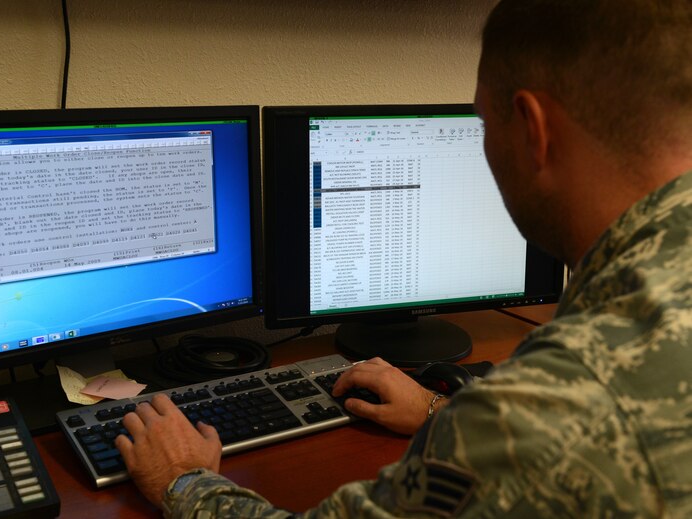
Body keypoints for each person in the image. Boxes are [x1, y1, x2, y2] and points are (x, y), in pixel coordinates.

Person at [115, 0, 692, 516]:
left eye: (483, 125)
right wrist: (443, 410)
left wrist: (183, 480)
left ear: (534, 130)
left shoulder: (551, 406)